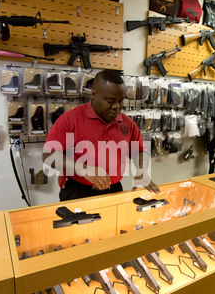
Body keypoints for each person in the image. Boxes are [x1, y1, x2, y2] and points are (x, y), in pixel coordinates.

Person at [43, 69, 160, 201]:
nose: (117, 106)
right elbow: (49, 155)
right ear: (94, 94)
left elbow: (139, 150)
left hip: (114, 190)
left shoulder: (128, 123)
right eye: (110, 101)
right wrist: (84, 169)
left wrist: (141, 170)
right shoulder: (70, 119)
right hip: (78, 191)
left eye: (120, 101)